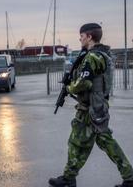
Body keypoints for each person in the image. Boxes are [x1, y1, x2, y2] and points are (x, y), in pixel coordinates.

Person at [49, 23, 133, 187]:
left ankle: (129, 177)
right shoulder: (100, 54)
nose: (80, 38)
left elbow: (84, 83)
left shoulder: (93, 57)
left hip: (92, 108)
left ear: (89, 36)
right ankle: (69, 177)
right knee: (81, 141)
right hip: (93, 107)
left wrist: (69, 87)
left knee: (101, 141)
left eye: (81, 36)